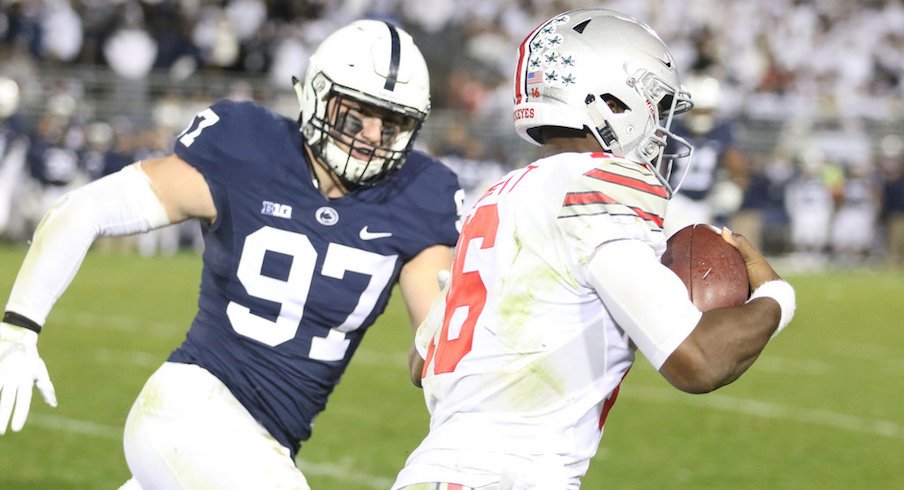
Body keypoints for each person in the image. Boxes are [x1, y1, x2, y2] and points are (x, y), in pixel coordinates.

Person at [0, 19, 462, 489]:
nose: (371, 134)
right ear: (319, 95)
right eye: (356, 114)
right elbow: (88, 207)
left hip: (264, 441)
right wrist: (19, 326)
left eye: (392, 123)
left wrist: (451, 332)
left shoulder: (420, 193)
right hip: (192, 406)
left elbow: (432, 356)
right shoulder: (250, 145)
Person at [393, 9, 796, 489]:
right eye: (656, 103)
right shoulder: (599, 184)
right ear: (610, 101)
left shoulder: (499, 195)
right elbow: (699, 361)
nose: (662, 126)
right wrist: (776, 298)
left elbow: (422, 363)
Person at [662, 74, 748, 238]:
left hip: (707, 201)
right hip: (676, 199)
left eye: (706, 111)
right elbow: (659, 165)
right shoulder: (673, 127)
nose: (701, 116)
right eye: (697, 111)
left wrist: (734, 187)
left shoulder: (722, 130)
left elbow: (737, 167)